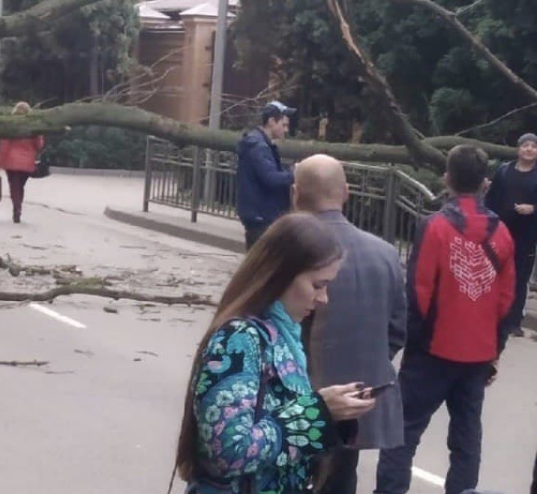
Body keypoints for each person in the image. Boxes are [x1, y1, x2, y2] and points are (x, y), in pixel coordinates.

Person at [174, 213, 376, 494]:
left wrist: (333, 414)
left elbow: (281, 425)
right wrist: (318, 411)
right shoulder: (238, 339)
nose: (323, 298)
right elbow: (229, 451)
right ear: (280, 274)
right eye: (318, 285)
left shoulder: (283, 334)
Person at [375, 145, 516, 494]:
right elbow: (506, 300)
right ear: (485, 183)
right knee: (467, 438)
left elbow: (419, 292)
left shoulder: (434, 227)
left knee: (403, 433)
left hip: (433, 351)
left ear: (447, 178)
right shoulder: (502, 234)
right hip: (478, 354)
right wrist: (494, 349)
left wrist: (414, 344)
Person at [293, 155, 406, 494]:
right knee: (342, 479)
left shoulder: (288, 250)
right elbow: (398, 328)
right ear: (346, 193)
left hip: (296, 401)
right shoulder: (386, 253)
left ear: (296, 194)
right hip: (354, 404)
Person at [484, 132, 537, 336]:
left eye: (533, 146)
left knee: (520, 277)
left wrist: (532, 209)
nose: (529, 149)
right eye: (525, 145)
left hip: (526, 235)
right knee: (494, 272)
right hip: (500, 231)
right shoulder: (504, 171)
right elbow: (491, 199)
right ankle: (492, 313)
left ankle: (514, 321)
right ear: (518, 149)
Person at [236, 101, 297, 249]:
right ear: (271, 122)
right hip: (261, 216)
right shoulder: (259, 146)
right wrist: (294, 174)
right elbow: (271, 178)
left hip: (259, 214)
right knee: (262, 265)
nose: (286, 130)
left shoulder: (260, 144)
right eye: (283, 125)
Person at [0, 102, 44, 224]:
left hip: (11, 162)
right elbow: (39, 146)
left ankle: (16, 207)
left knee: (14, 186)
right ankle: (18, 206)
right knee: (20, 186)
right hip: (27, 164)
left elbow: (4, 147)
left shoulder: (10, 125)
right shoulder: (33, 127)